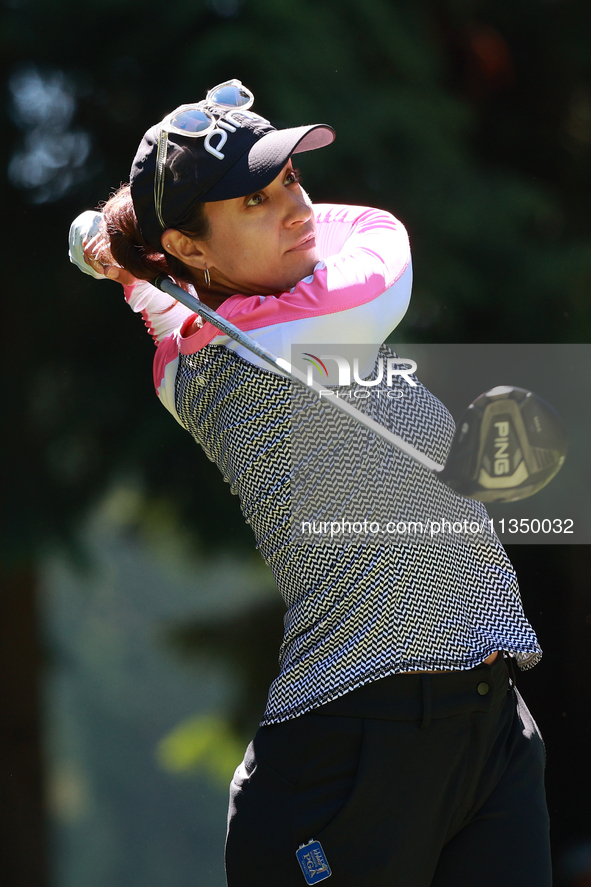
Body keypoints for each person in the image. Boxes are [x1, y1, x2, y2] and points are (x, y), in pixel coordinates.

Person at [69, 79, 551, 887]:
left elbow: (156, 291)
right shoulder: (228, 358)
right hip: (350, 748)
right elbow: (364, 262)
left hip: (490, 726)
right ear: (188, 248)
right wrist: (123, 261)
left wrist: (119, 260)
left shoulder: (251, 313)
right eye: (254, 199)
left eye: (290, 178)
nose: (295, 207)